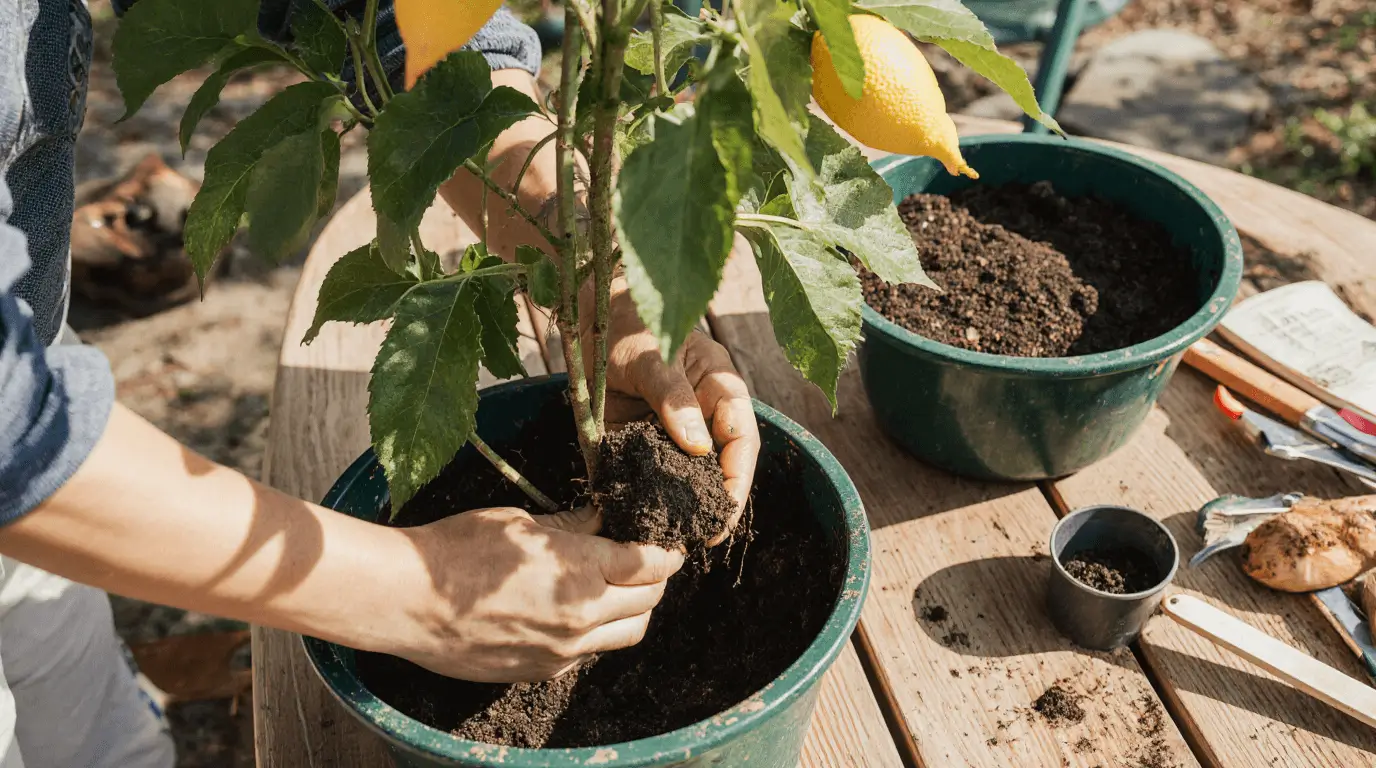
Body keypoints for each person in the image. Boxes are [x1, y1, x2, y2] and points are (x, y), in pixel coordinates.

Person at [0, 2, 760, 766]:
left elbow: (386, 18)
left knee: (98, 733)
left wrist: (603, 293)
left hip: (55, 431)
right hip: (39, 451)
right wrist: (421, 590)